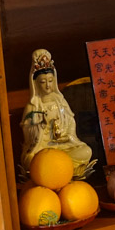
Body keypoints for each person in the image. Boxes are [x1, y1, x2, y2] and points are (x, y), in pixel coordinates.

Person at [21, 48, 93, 177]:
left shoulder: (60, 101)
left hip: (63, 145)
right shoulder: (33, 105)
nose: (47, 85)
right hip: (43, 148)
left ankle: (60, 171)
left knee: (86, 151)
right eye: (43, 82)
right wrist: (42, 124)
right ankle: (56, 171)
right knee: (31, 160)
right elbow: (27, 132)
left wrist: (69, 136)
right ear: (35, 84)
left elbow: (70, 121)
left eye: (50, 81)